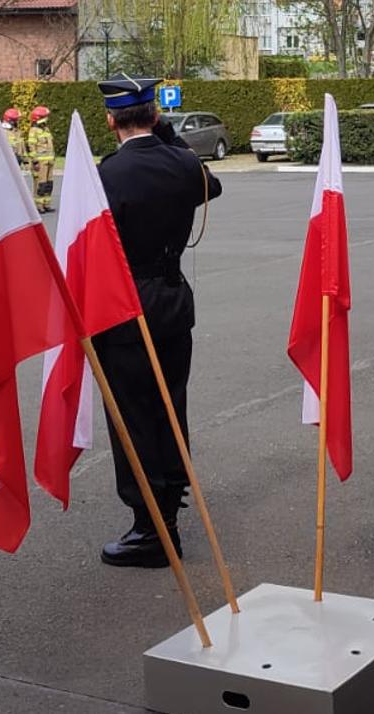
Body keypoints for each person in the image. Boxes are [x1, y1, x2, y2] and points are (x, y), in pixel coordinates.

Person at [92, 73, 224, 568]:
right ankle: (169, 503)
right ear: (155, 113)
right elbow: (212, 184)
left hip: (124, 309)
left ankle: (152, 531)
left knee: (134, 418)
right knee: (171, 408)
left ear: (111, 120)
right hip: (172, 303)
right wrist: (167, 137)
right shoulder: (184, 165)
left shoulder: (107, 175)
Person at [26, 106, 56, 213]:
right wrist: (34, 161)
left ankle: (46, 204)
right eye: (45, 117)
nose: (46, 119)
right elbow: (31, 146)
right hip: (40, 162)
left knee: (49, 184)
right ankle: (39, 206)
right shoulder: (33, 131)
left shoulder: (46, 129)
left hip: (49, 161)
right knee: (41, 184)